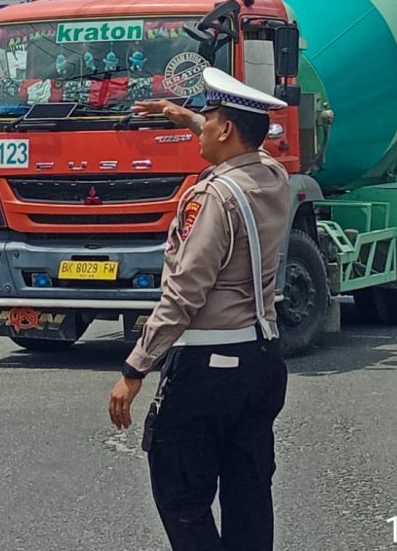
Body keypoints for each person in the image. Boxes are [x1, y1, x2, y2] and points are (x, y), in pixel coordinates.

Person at [108, 68, 291, 551]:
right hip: (261, 358)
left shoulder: (210, 198)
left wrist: (135, 367)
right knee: (248, 488)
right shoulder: (274, 178)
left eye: (209, 119)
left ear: (226, 129)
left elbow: (184, 292)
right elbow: (247, 147)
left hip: (206, 366)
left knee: (181, 493)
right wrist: (187, 116)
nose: (202, 128)